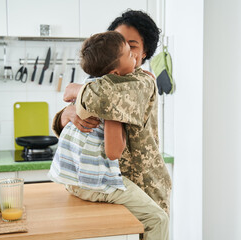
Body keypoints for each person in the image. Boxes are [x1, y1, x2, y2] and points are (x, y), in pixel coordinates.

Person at [49, 31, 169, 240]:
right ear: (114, 69)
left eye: (134, 48)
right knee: (158, 219)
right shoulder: (110, 94)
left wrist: (76, 90)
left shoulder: (110, 84)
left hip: (75, 178)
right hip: (98, 181)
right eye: (126, 50)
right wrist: (67, 112)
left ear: (145, 51)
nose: (132, 54)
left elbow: (72, 92)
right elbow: (113, 151)